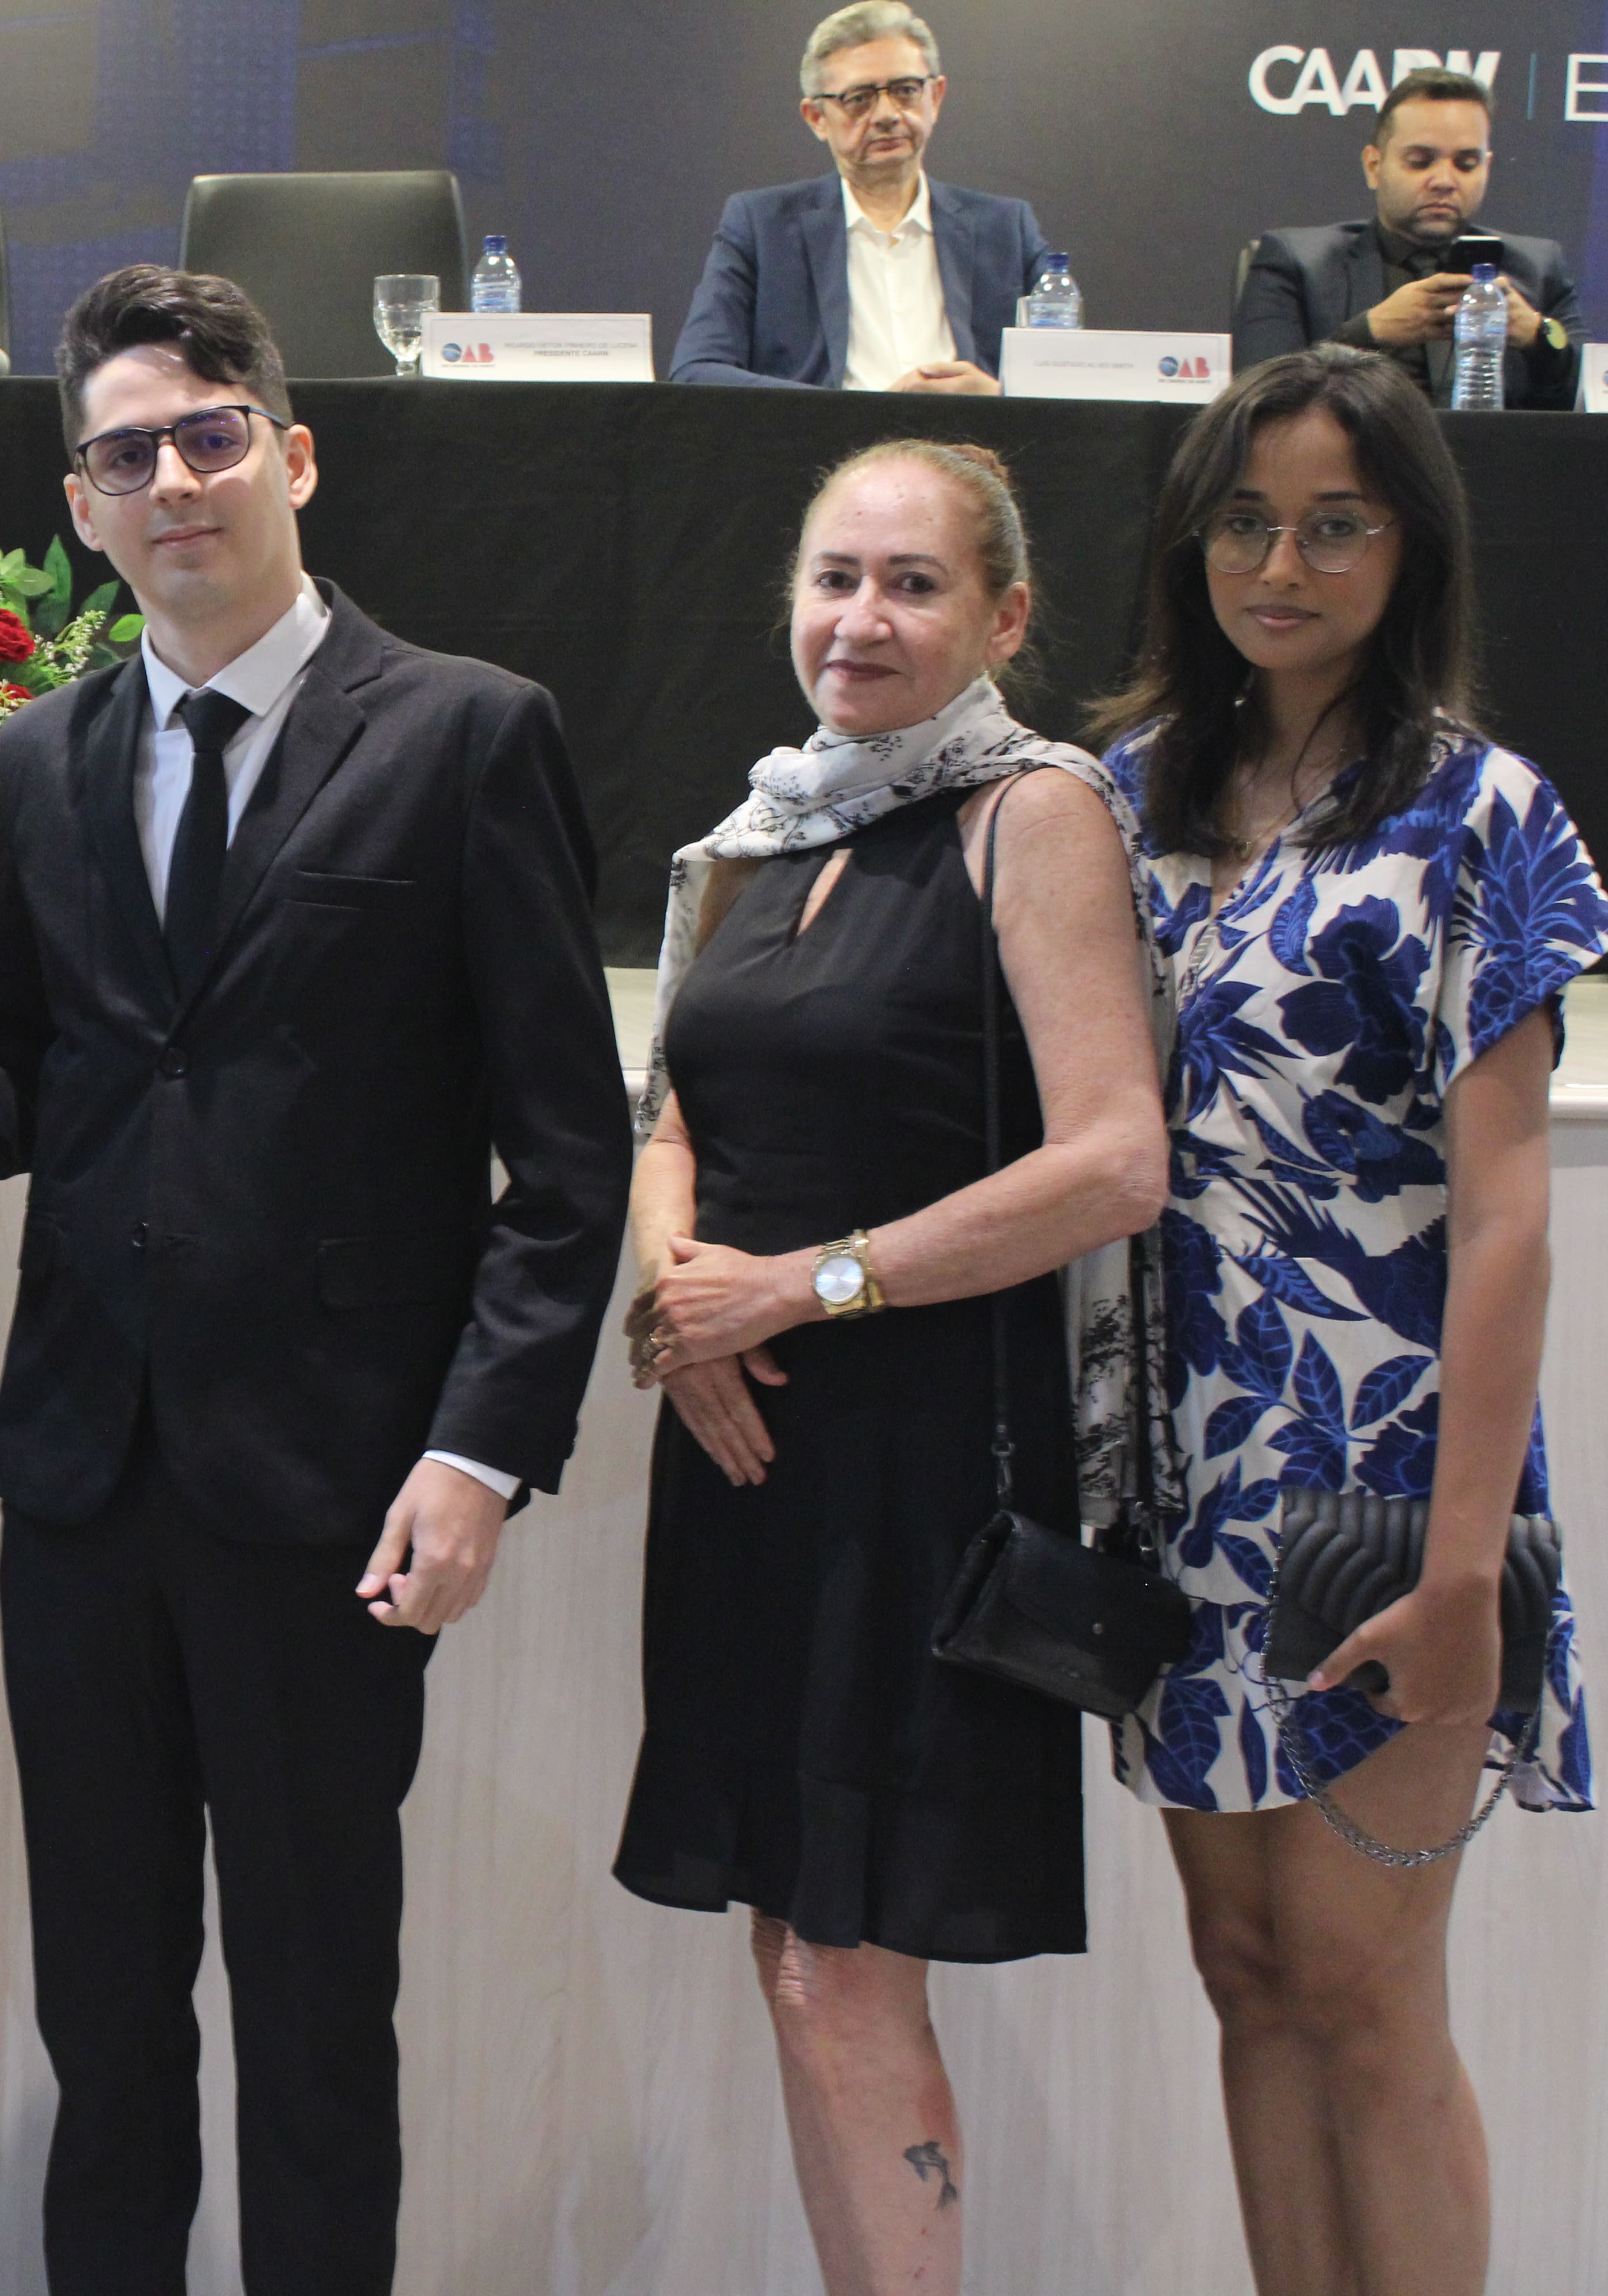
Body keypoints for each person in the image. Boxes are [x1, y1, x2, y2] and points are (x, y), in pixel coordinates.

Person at [0, 265, 631, 2295]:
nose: (171, 481)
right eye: (126, 455)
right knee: (100, 2020)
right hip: (79, 1481)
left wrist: (481, 1454)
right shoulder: (49, 752)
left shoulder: (465, 735)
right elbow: (45, 1065)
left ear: (292, 456)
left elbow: (568, 1157)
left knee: (313, 2019)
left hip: (332, 1488)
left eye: (207, 438)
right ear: (81, 505)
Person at [616, 439, 1164, 2290]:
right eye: (833, 577)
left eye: (913, 584)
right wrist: (680, 1302)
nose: (861, 618)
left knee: (843, 1966)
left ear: (1004, 619)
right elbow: (671, 1109)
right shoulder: (759, 830)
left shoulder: (1036, 813)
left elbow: (1113, 1163)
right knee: (790, 1949)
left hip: (918, 1469)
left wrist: (799, 1290)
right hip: (744, 1455)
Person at [1097, 344, 1601, 2295]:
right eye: (1244, 522)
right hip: (1179, 1478)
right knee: (1248, 1975)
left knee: (1368, 1999)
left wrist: (1467, 1574)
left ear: (1413, 550)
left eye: (1334, 526)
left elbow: (1508, 1222)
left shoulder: (1480, 814)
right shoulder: (1125, 796)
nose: (1280, 566)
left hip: (1389, 1483)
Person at [671, 3, 1044, 394]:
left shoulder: (1007, 229)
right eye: (858, 98)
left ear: (936, 96)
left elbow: (1071, 379)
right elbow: (697, 371)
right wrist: (858, 413)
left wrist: (998, 398)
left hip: (972, 433)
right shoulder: (762, 227)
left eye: (905, 91)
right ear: (817, 117)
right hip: (828, 433)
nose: (886, 114)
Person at [1234, 66, 1583, 410]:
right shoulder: (1295, 264)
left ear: (1486, 168)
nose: (1444, 181)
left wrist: (1538, 337)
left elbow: (1592, 395)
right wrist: (1367, 334)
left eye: (1466, 164)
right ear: (1374, 166)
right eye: (1420, 162)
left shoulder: (1537, 269)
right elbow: (1256, 401)